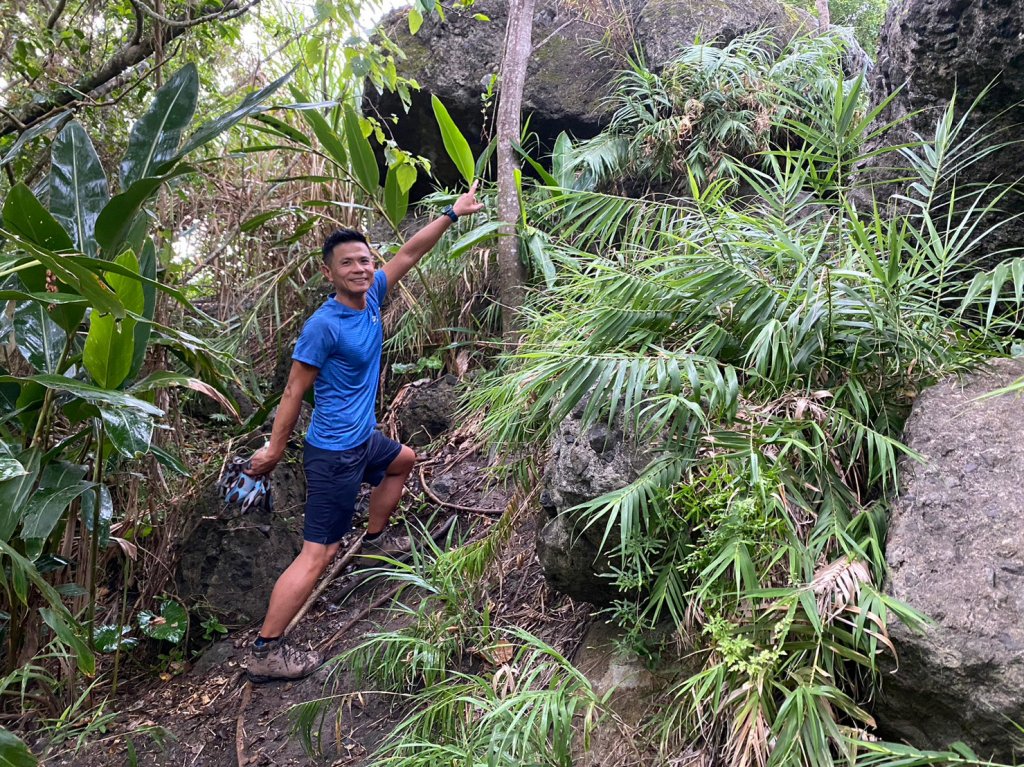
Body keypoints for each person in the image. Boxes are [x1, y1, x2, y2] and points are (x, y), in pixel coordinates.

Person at [243, 182, 485, 683]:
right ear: (328, 271)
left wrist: (452, 212)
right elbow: (293, 392)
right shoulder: (323, 326)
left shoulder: (373, 292)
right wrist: (274, 448)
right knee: (318, 552)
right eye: (349, 263)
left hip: (362, 439)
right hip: (332, 452)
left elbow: (412, 251)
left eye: (366, 260)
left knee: (403, 460)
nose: (361, 268)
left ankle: (375, 539)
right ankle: (266, 649)